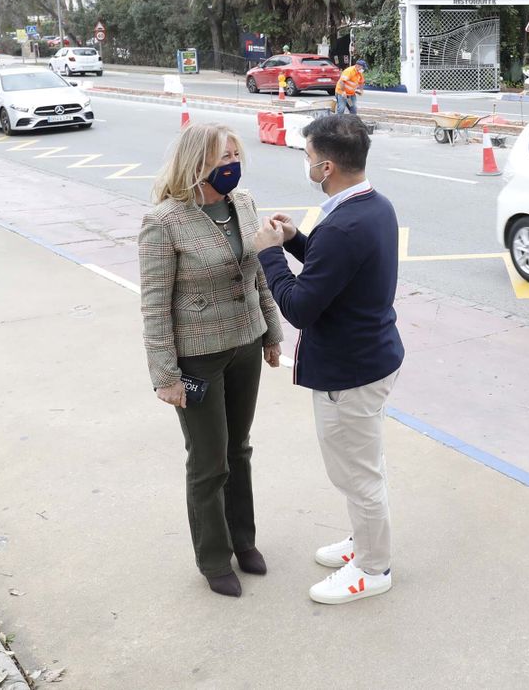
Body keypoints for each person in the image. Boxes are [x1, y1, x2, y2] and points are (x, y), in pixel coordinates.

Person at [254, 114, 404, 605]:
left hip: (350, 370)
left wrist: (270, 254)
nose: (306, 164)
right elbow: (335, 268)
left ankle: (373, 569)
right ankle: (365, 542)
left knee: (357, 474)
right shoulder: (372, 206)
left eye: (307, 157)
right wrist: (296, 240)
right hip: (371, 356)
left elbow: (300, 307)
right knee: (362, 466)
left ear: (326, 167)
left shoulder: (343, 225)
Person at [138, 123, 284, 598]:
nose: (233, 166)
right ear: (196, 163)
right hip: (197, 357)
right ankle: (214, 558)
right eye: (224, 158)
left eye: (236, 156)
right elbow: (155, 304)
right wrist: (165, 374)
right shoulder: (164, 221)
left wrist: (271, 332)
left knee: (239, 450)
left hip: (246, 343)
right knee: (209, 461)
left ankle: (244, 542)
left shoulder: (243, 203)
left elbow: (257, 273)